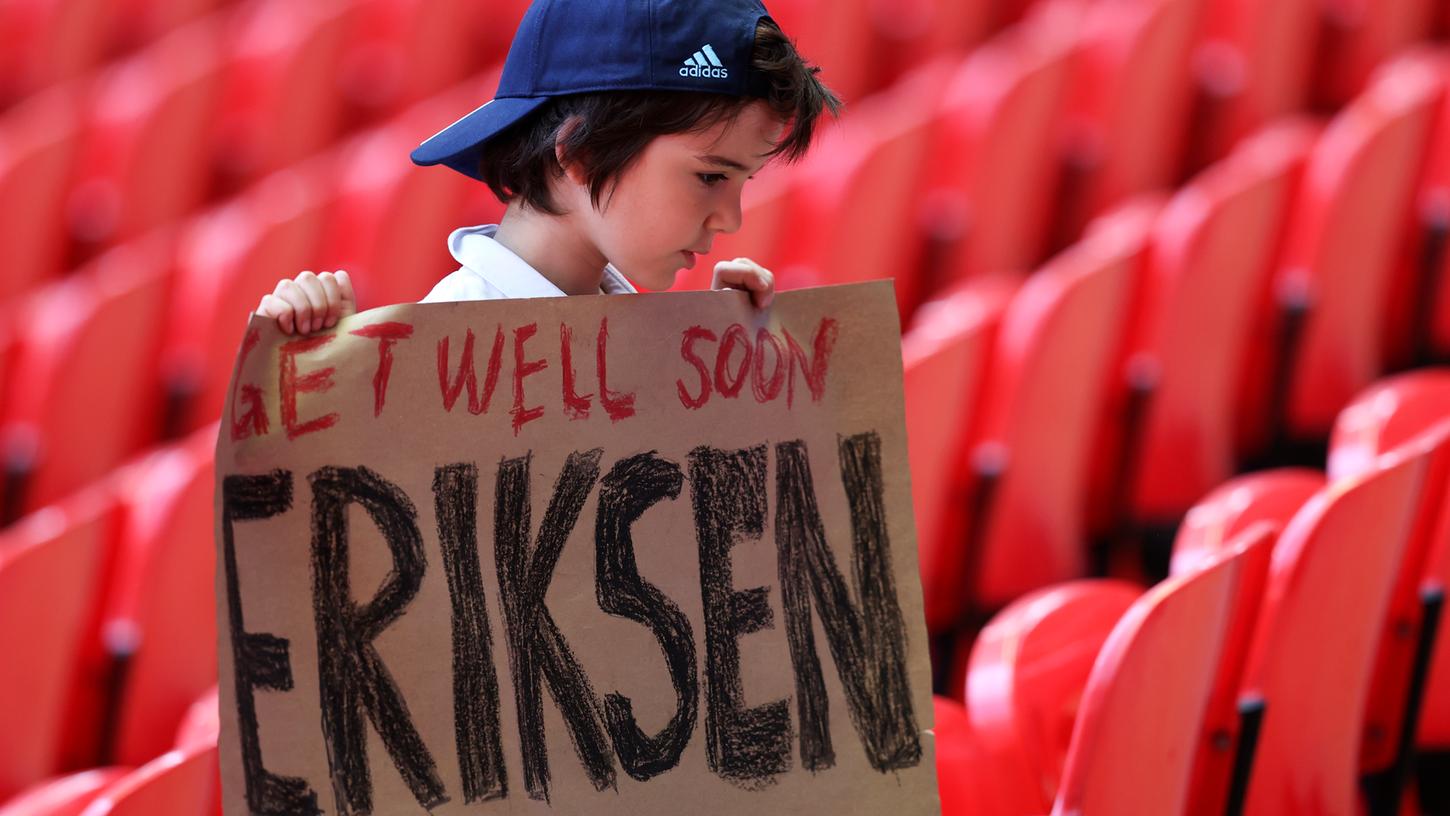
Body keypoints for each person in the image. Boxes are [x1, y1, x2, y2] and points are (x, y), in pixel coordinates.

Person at [254, 0, 841, 335]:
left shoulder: (645, 339)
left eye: (743, 182)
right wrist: (324, 385)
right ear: (580, 154)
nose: (731, 220)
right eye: (712, 176)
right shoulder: (437, 355)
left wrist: (718, 368)